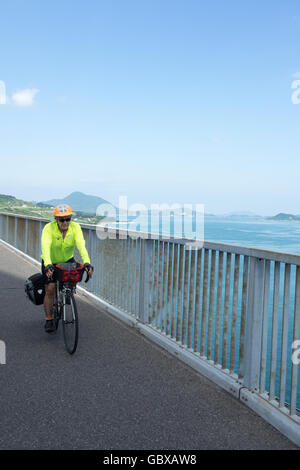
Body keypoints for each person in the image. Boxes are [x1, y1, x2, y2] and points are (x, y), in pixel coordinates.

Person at [41, 204, 93, 333]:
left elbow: (81, 246)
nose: (65, 222)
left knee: (75, 274)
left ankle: (68, 291)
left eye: (68, 219)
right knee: (50, 289)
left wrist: (87, 262)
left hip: (67, 260)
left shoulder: (75, 228)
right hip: (51, 261)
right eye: (62, 219)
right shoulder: (49, 228)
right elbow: (45, 247)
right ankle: (48, 319)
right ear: (56, 220)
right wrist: (48, 264)